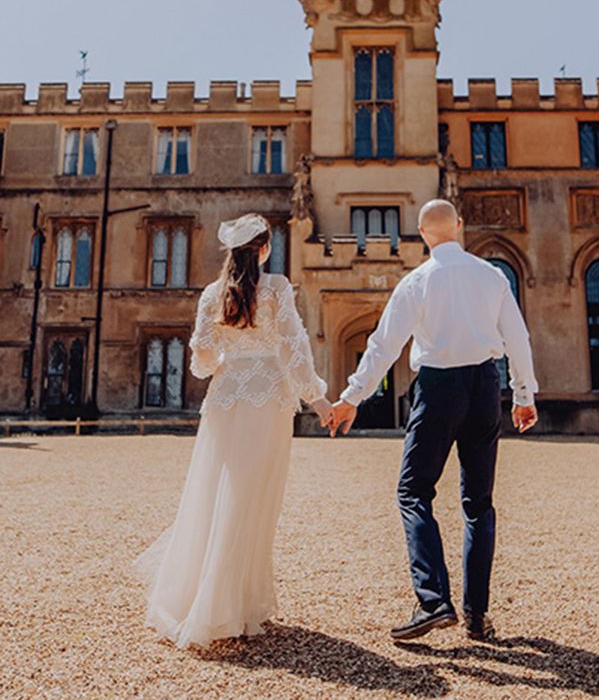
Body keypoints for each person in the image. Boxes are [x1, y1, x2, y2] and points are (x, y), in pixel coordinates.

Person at [330, 199, 538, 643]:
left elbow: (384, 346)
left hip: (439, 388)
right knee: (478, 503)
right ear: (459, 227)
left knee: (413, 491)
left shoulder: (416, 281)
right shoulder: (492, 275)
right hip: (486, 385)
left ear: (422, 234)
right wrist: (523, 395)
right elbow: (516, 336)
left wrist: (351, 398)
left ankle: (432, 601)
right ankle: (477, 616)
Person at [134, 213, 332, 648]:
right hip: (269, 400)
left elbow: (201, 360)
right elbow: (293, 349)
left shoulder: (212, 294)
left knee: (213, 493)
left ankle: (203, 600)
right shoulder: (276, 287)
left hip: (225, 400)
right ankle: (234, 606)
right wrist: (318, 399)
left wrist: (229, 364)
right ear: (264, 249)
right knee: (252, 498)